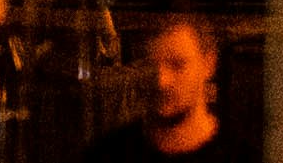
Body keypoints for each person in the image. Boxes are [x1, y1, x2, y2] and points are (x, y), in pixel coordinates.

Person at [84, 10, 247, 160]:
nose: (162, 80)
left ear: (209, 64)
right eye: (151, 65)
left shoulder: (240, 156)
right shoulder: (110, 154)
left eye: (177, 65)